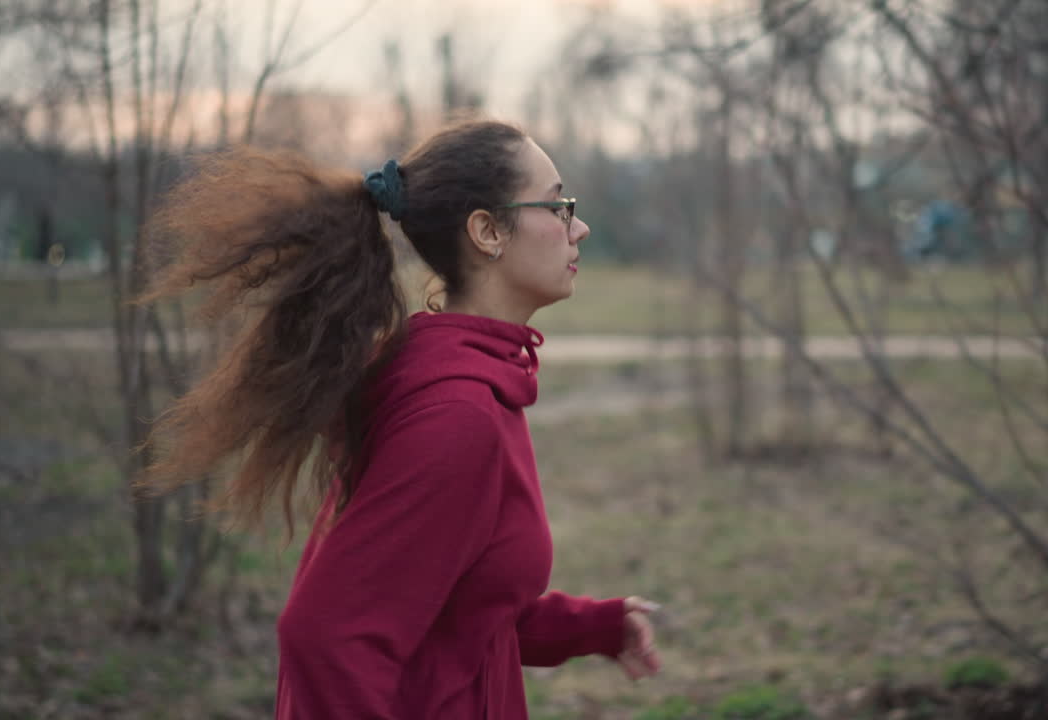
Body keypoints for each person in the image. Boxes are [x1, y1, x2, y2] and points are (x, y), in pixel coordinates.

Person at [138, 120, 661, 719]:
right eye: (558, 206)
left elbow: (459, 614)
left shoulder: (470, 382)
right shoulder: (454, 418)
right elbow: (326, 638)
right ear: (487, 231)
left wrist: (592, 628)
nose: (580, 226)